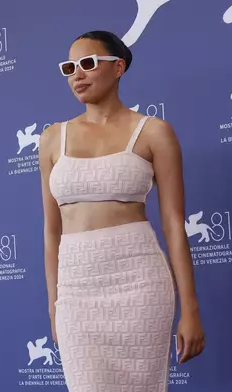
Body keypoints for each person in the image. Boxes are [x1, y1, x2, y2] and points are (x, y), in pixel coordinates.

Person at [38, 30, 205, 391]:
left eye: (88, 64)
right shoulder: (52, 137)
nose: (77, 75)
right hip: (77, 291)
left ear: (118, 68)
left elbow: (175, 225)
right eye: (69, 67)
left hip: (139, 285)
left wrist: (189, 308)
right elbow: (52, 231)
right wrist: (55, 305)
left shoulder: (154, 132)